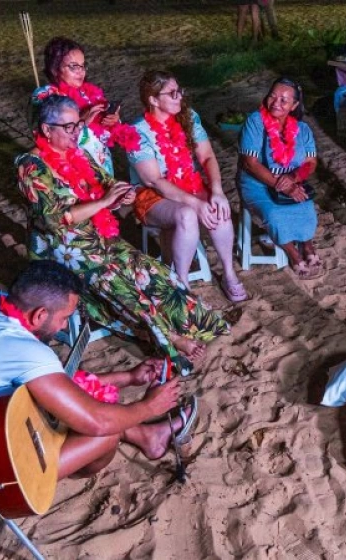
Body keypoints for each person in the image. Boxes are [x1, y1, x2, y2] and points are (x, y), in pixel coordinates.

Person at [0, 260, 195, 531]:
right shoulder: (21, 348)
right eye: (64, 318)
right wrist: (148, 406)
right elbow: (97, 422)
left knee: (56, 408)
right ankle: (146, 434)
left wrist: (128, 378)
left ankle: (147, 436)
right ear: (39, 315)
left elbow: (56, 391)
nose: (64, 325)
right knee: (105, 434)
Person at [17, 95, 230, 377]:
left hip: (97, 236)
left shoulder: (76, 153)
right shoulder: (31, 167)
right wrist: (104, 202)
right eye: (69, 127)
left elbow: (105, 182)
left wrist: (121, 193)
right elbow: (55, 220)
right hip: (63, 248)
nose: (76, 132)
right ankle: (171, 341)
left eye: (78, 125)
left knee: (148, 270)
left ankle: (194, 323)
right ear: (46, 129)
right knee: (117, 282)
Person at [129, 70, 248, 302]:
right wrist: (195, 203)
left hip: (187, 183)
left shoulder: (188, 117)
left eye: (180, 91)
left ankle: (229, 273)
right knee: (186, 214)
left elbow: (207, 156)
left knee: (218, 207)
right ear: (154, 100)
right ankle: (181, 283)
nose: (179, 97)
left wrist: (217, 191)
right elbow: (154, 181)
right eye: (172, 93)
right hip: (152, 195)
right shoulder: (137, 131)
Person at [238, 77, 320, 278]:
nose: (276, 103)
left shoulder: (302, 129)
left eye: (284, 100)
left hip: (291, 181)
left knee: (307, 209)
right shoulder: (255, 122)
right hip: (256, 182)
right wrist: (282, 185)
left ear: (294, 105)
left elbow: (311, 162)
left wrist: (294, 177)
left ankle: (307, 245)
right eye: (272, 96)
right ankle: (293, 254)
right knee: (275, 214)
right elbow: (250, 163)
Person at [32, 36, 128, 176]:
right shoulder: (46, 95)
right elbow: (46, 137)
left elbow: (103, 132)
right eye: (73, 66)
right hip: (71, 169)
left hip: (101, 166)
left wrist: (113, 120)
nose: (81, 71)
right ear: (55, 69)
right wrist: (82, 121)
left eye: (82, 66)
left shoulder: (89, 93)